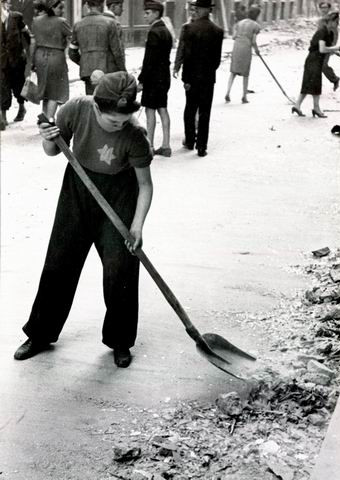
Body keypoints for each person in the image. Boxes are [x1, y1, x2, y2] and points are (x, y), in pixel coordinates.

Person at [13, 71, 154, 369]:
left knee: (120, 270)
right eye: (113, 120)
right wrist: (48, 138)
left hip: (120, 196)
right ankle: (39, 334)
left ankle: (120, 341)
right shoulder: (76, 109)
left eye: (125, 120)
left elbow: (145, 185)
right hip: (78, 188)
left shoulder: (135, 135)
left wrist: (137, 225)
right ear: (96, 107)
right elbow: (53, 151)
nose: (120, 125)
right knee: (59, 263)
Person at [176, 0, 223, 157]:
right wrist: (208, 71)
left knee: (190, 108)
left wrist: (186, 79)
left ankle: (190, 141)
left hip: (192, 78)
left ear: (201, 9)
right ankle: (202, 146)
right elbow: (217, 60)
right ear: (209, 10)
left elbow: (187, 56)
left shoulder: (189, 28)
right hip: (208, 78)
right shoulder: (218, 31)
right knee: (205, 111)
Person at [138, 1, 173, 157]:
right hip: (164, 76)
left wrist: (141, 80)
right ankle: (166, 145)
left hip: (152, 78)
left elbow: (149, 60)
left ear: (156, 13)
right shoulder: (166, 30)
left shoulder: (153, 32)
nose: (145, 15)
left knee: (150, 110)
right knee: (163, 109)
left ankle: (149, 145)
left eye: (148, 13)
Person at [69, 0, 125, 95]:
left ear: (88, 6)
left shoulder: (78, 25)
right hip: (108, 70)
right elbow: (117, 52)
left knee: (92, 102)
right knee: (107, 103)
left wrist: (83, 62)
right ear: (102, 5)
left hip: (87, 71)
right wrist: (123, 70)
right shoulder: (110, 23)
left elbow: (72, 52)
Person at [292, 12, 340, 118]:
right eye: (336, 22)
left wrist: (338, 53)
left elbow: (327, 49)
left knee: (308, 84)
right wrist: (335, 48)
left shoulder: (329, 33)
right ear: (331, 21)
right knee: (315, 84)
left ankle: (297, 106)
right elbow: (322, 49)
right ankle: (316, 108)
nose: (337, 24)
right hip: (313, 60)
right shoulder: (322, 32)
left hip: (317, 60)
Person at [30, 0, 71, 119]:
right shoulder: (61, 22)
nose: (62, 11)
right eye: (60, 8)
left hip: (40, 56)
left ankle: (44, 117)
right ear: (52, 8)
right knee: (56, 91)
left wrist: (32, 61)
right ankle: (49, 120)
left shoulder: (36, 21)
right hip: (56, 57)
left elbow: (33, 43)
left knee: (45, 89)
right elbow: (72, 36)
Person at [0, 0, 31, 130]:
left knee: (18, 84)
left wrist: (26, 50)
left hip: (17, 58)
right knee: (3, 85)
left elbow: (26, 34)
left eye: (7, 1)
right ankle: (3, 116)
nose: (6, 3)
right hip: (1, 59)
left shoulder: (16, 16)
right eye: (3, 1)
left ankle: (22, 107)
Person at [224, 5, 260, 104]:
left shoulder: (239, 23)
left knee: (233, 72)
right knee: (245, 74)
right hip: (246, 49)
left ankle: (227, 92)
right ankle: (244, 96)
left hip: (236, 47)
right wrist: (257, 50)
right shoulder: (256, 25)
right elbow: (253, 41)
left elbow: (234, 36)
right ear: (257, 15)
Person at [318, 1, 340, 90]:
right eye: (322, 8)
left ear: (329, 8)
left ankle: (335, 79)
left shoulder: (332, 19)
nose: (324, 9)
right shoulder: (321, 20)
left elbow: (335, 33)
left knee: (323, 66)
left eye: (325, 7)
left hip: (328, 45)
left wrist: (332, 47)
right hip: (319, 45)